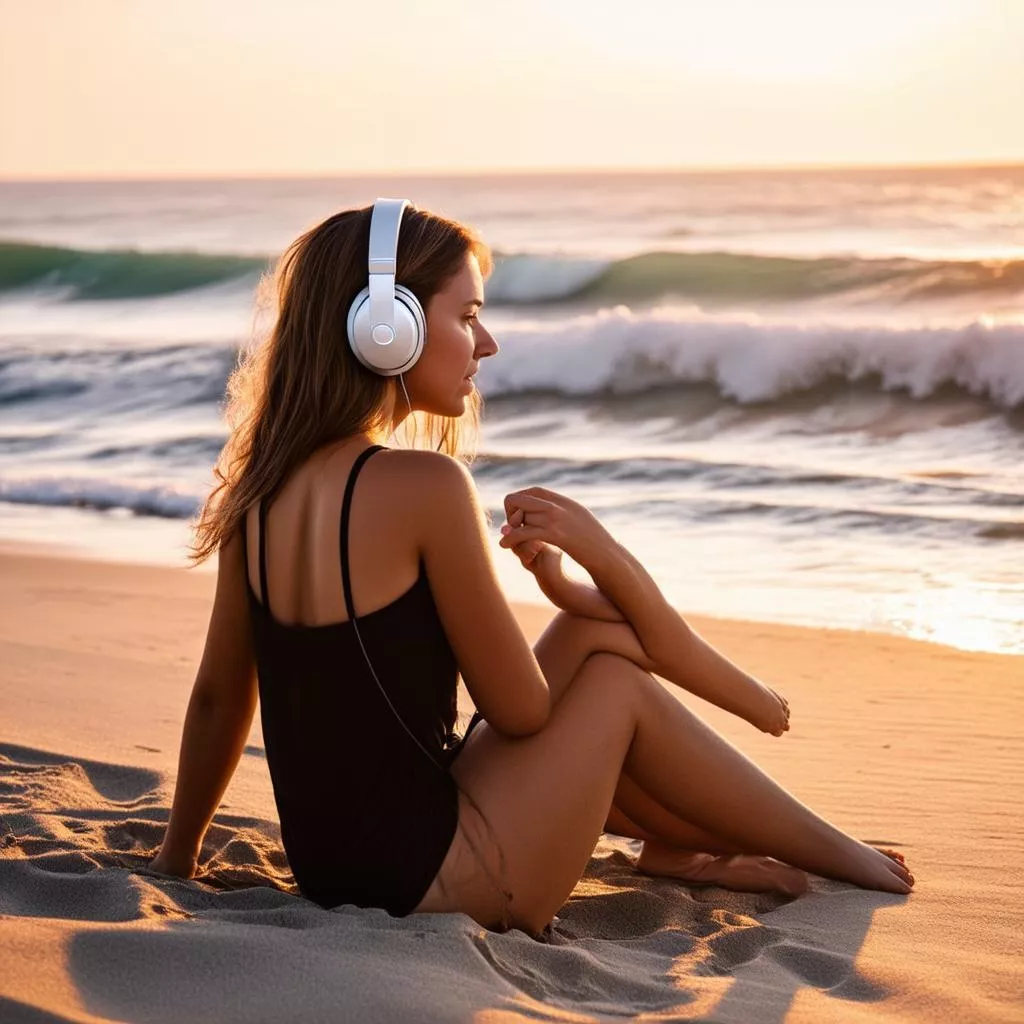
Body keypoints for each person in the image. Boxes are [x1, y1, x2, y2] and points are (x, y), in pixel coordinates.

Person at [149, 201, 914, 938]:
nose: (487, 345)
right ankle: (838, 856)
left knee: (587, 636)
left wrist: (175, 859)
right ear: (388, 330)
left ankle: (694, 846)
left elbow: (220, 698)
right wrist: (605, 555)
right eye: (469, 316)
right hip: (443, 883)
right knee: (612, 686)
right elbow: (522, 714)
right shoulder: (426, 488)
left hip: (336, 875)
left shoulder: (260, 494)